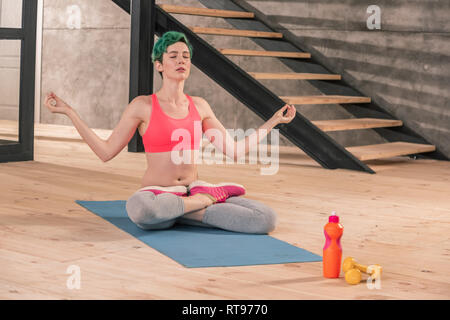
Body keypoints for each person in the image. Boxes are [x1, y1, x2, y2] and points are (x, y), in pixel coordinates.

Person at [44, 31, 296, 234]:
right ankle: (206, 201)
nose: (181, 61)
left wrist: (273, 121)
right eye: (173, 55)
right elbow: (106, 152)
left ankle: (186, 208)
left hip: (191, 190)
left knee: (265, 219)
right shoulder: (142, 106)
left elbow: (236, 151)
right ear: (159, 65)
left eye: (185, 56)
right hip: (157, 195)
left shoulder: (199, 106)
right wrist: (70, 113)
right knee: (141, 209)